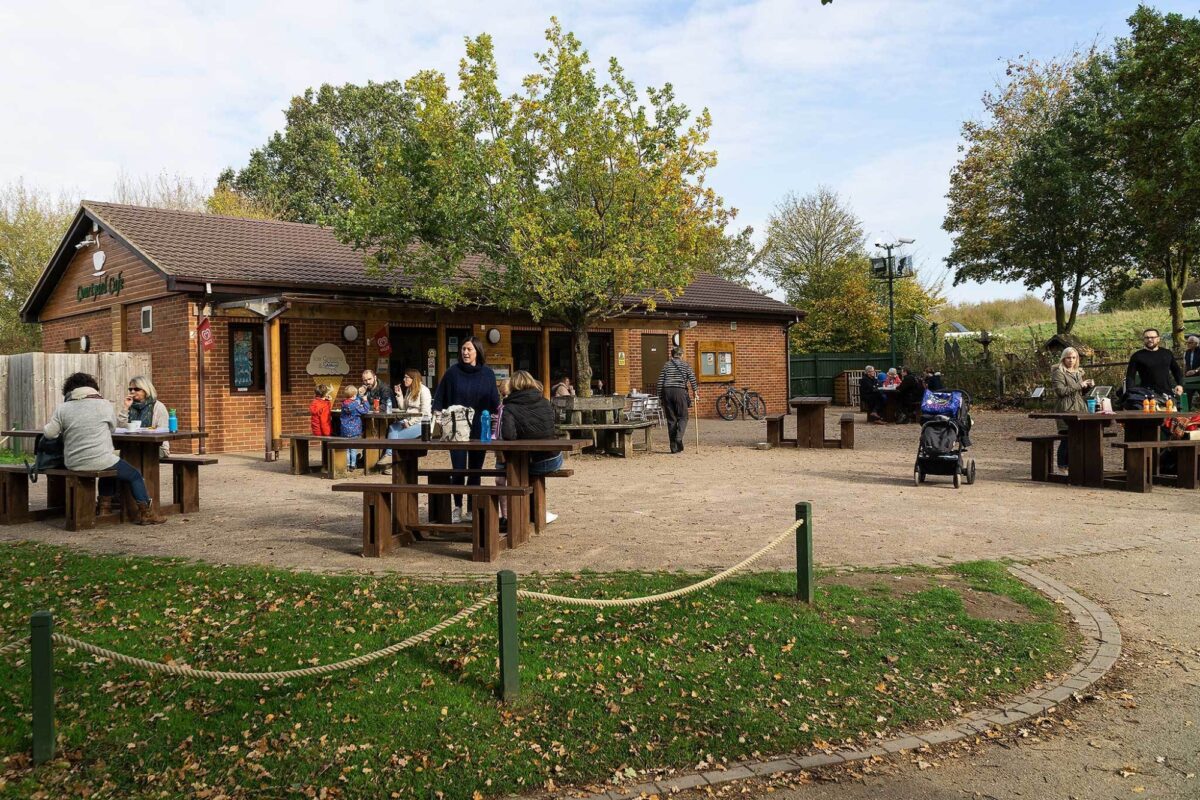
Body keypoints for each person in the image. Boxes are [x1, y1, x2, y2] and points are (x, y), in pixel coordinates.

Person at [44, 372, 164, 524]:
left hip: (73, 462)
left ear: (71, 391)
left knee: (110, 469)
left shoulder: (63, 408)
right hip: (102, 459)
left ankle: (104, 508)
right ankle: (147, 514)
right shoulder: (104, 405)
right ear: (93, 388)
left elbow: (49, 433)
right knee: (134, 475)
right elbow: (112, 428)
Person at [432, 336, 500, 523]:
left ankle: (472, 507)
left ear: (477, 351)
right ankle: (457, 507)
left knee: (475, 470)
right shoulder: (452, 373)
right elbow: (439, 398)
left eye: (469, 349)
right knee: (459, 469)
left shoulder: (487, 374)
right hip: (457, 428)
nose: (465, 352)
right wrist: (438, 416)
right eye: (463, 349)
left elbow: (495, 402)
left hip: (480, 427)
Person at [495, 370, 561, 531]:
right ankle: (534, 513)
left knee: (509, 470)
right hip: (553, 458)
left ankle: (513, 516)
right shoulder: (545, 401)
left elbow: (509, 436)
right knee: (521, 471)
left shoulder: (510, 407)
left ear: (513, 385)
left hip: (530, 462)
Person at [1051, 347, 1094, 471]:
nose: (1071, 360)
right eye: (1068, 357)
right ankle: (1062, 466)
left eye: (1074, 357)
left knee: (1079, 438)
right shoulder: (1058, 372)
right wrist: (1079, 385)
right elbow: (1061, 391)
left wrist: (1087, 386)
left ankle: (1075, 465)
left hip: (1079, 406)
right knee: (1066, 437)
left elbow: (1079, 392)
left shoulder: (1078, 372)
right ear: (1063, 358)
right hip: (1065, 407)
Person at [655, 346, 698, 454]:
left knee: (671, 420)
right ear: (681, 354)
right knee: (683, 417)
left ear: (672, 355)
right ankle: (678, 438)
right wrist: (695, 392)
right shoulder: (685, 365)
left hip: (666, 392)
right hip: (679, 392)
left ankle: (674, 448)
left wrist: (660, 397)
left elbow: (660, 382)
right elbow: (692, 378)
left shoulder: (666, 365)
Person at [118, 375, 171, 457]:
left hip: (157, 447)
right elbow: (121, 427)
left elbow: (164, 431)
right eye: (130, 389)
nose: (132, 391)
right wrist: (125, 407)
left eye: (136, 389)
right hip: (132, 445)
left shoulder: (158, 407)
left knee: (133, 453)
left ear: (146, 390)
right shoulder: (130, 406)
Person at [1125, 328, 1184, 398]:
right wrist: (1131, 393)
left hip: (1167, 393)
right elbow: (1130, 376)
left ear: (1158, 339)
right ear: (1144, 339)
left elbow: (1176, 370)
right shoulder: (1137, 356)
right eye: (1147, 338)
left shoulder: (1167, 353)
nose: (1149, 339)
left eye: (1152, 337)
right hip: (1146, 394)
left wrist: (1180, 384)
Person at [339, 385, 369, 470]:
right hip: (354, 431)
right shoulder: (356, 406)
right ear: (353, 396)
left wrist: (358, 398)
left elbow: (353, 402)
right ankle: (353, 465)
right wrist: (365, 401)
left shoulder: (344, 404)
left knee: (347, 449)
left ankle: (347, 465)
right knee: (353, 449)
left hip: (344, 430)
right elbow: (365, 410)